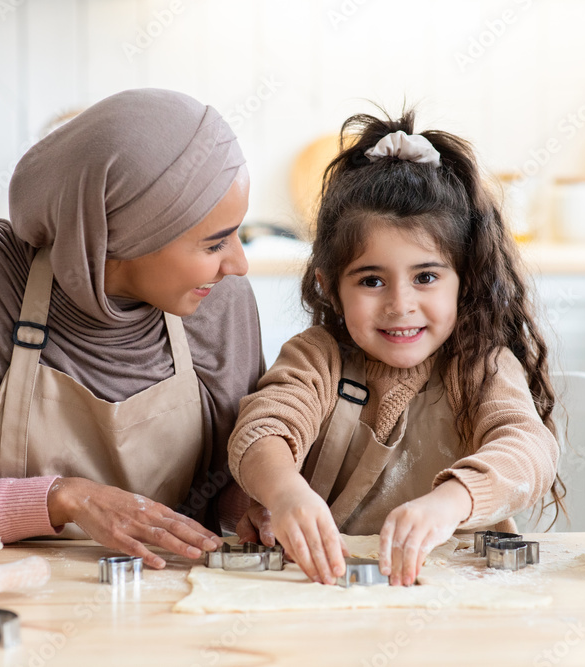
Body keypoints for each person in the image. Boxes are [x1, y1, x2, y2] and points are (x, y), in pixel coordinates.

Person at [0, 89, 264, 569]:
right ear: (123, 235)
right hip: (4, 599)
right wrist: (62, 499)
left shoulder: (220, 303)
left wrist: (258, 506)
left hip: (169, 601)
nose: (237, 264)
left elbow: (224, 489)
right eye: (215, 244)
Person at [227, 111, 561, 586]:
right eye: (371, 280)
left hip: (462, 592)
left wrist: (451, 501)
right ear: (329, 286)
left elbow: (529, 449)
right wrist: (284, 494)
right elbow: (263, 430)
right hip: (326, 589)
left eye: (425, 277)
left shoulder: (481, 366)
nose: (400, 305)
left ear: (465, 282)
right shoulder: (317, 357)